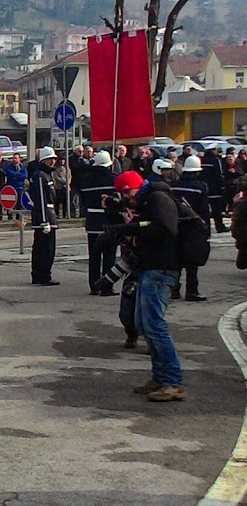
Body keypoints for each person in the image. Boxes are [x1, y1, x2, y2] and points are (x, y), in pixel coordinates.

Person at [101, 170, 185, 402]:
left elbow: (165, 230)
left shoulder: (158, 199)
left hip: (161, 269)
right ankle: (160, 377)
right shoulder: (149, 201)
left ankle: (173, 381)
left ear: (134, 189)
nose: (127, 200)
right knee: (144, 323)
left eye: (127, 195)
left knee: (155, 325)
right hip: (151, 268)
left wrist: (134, 230)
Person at [170, 155, 209, 302]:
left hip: (176, 225)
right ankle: (191, 291)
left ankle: (174, 289)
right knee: (192, 262)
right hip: (193, 228)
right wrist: (206, 232)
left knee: (177, 259)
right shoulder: (201, 187)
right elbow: (204, 211)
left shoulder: (173, 185)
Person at [81, 150, 119, 296]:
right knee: (109, 256)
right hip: (109, 222)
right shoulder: (113, 179)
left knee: (94, 256)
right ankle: (106, 286)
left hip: (91, 222)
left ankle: (94, 285)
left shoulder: (86, 180)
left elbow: (84, 200)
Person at [30, 147, 60, 286]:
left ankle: (41, 275)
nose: (53, 161)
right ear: (44, 160)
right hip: (45, 216)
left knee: (44, 249)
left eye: (54, 159)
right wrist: (44, 221)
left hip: (48, 214)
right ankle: (43, 275)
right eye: (50, 159)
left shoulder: (46, 174)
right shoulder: (40, 175)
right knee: (45, 250)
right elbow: (41, 199)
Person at [200, 146, 227, 233]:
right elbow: (219, 175)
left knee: (205, 210)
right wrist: (222, 187)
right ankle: (219, 227)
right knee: (217, 210)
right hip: (215, 189)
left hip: (204, 188)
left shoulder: (202, 160)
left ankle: (206, 228)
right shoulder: (215, 160)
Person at [4, 153, 27, 220]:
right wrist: (19, 175)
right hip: (11, 187)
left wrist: (16, 176)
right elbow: (9, 173)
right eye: (13, 158)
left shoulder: (22, 167)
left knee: (19, 203)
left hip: (20, 187)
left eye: (16, 158)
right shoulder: (9, 166)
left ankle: (18, 216)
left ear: (19, 159)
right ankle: (10, 216)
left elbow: (25, 175)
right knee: (10, 203)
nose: (14, 160)